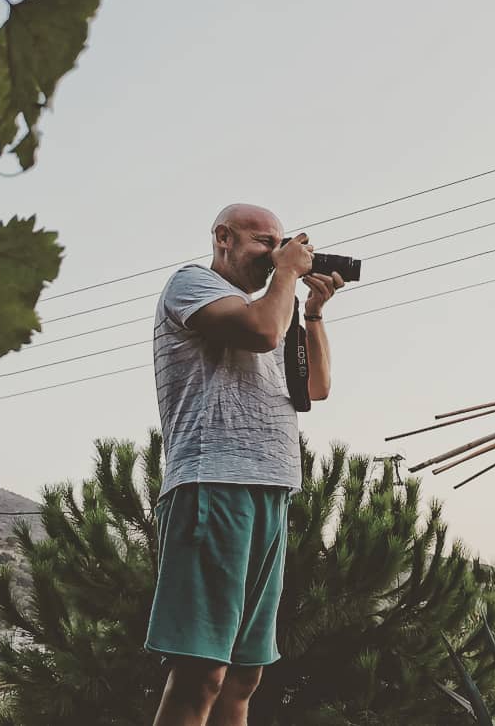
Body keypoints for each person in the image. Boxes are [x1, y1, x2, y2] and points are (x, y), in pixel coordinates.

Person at [147, 204, 344, 726]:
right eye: (264, 242)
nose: (276, 253)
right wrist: (285, 276)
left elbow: (316, 388)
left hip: (270, 488)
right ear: (223, 238)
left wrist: (315, 311)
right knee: (202, 671)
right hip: (214, 482)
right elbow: (259, 332)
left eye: (282, 243)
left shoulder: (275, 309)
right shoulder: (192, 284)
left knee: (243, 676)